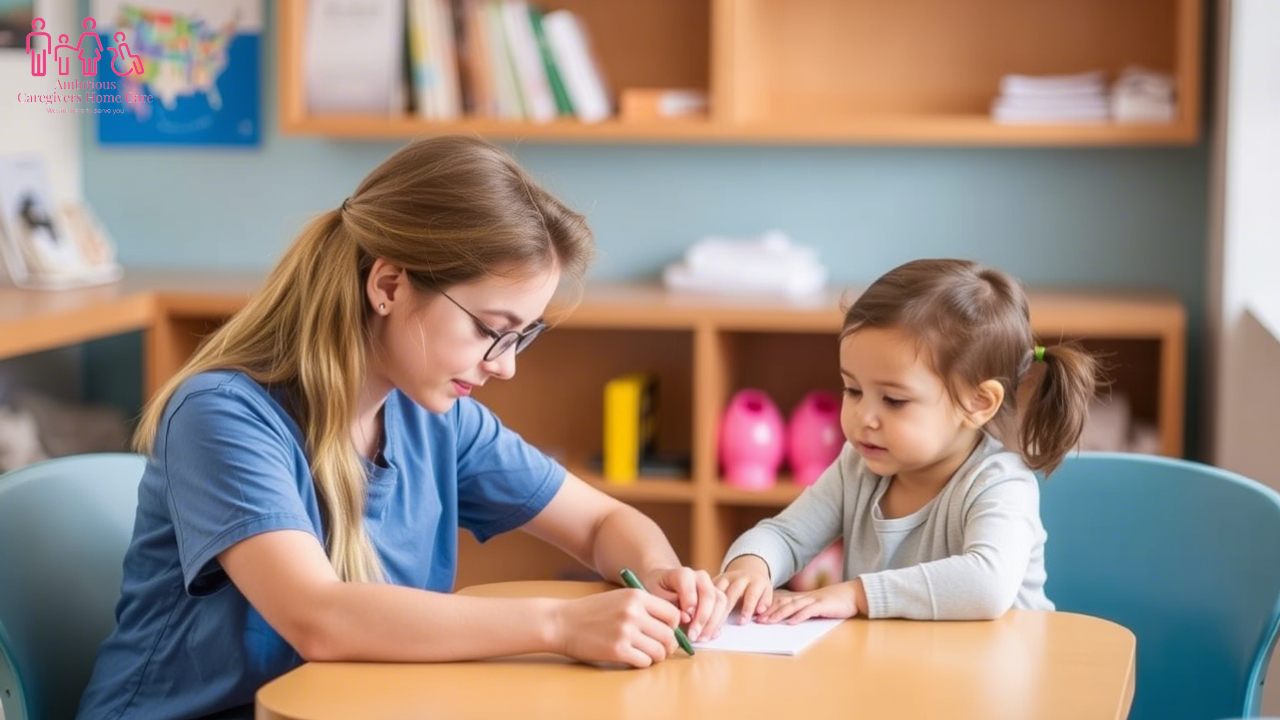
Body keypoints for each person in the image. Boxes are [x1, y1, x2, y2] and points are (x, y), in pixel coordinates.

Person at [76, 136, 727, 720]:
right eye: (491, 330)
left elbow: (601, 522)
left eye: (522, 337)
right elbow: (318, 617)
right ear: (387, 284)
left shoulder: (438, 419)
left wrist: (659, 575)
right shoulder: (222, 416)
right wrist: (561, 623)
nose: (504, 366)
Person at [713, 258, 1099, 624]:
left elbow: (987, 585)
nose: (864, 417)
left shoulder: (1000, 482)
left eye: (894, 400)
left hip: (999, 671)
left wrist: (857, 595)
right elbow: (784, 535)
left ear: (979, 403)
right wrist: (752, 567)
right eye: (853, 389)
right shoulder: (856, 468)